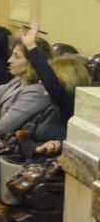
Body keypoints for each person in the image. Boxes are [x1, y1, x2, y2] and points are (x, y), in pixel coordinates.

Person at [19, 21, 91, 157]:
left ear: (64, 81)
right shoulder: (50, 106)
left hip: (55, 173)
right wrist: (38, 148)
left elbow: (52, 85)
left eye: (48, 77)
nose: (41, 81)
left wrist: (32, 47)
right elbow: (25, 138)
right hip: (32, 166)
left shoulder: (72, 107)